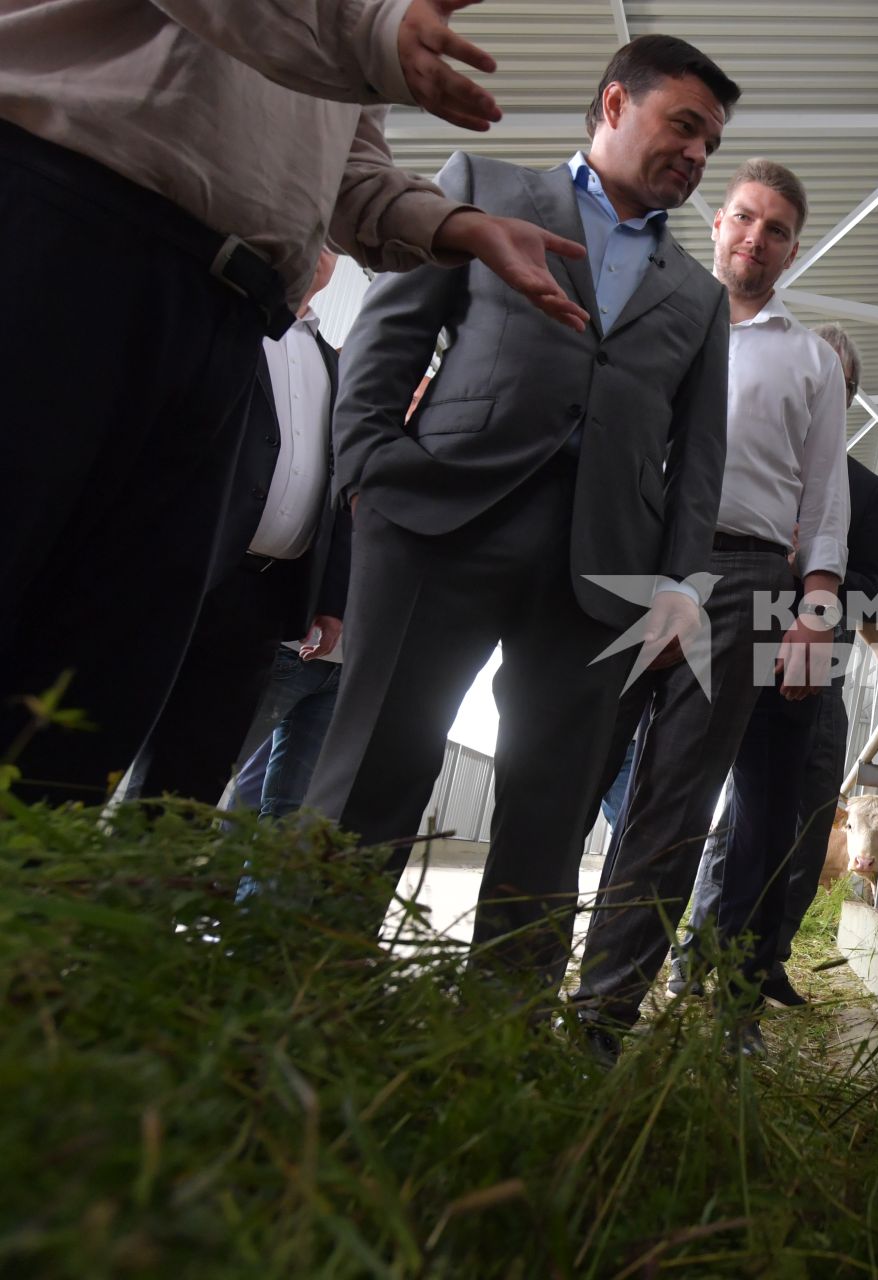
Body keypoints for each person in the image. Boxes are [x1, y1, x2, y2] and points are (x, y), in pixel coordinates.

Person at [0, 0, 594, 803]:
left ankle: (36, 914)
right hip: (64, 222)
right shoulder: (351, 19)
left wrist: (457, 226)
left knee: (92, 690)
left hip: (226, 317)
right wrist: (374, 35)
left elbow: (347, 173)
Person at [307, 35, 741, 986]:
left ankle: (496, 1050)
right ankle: (305, 1005)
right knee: (374, 766)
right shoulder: (485, 190)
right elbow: (390, 332)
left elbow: (696, 455)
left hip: (601, 574)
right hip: (439, 525)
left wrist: (680, 587)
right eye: (685, 125)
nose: (698, 154)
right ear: (616, 105)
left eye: (711, 141)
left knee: (551, 814)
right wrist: (371, 471)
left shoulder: (699, 298)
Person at [572, 159, 851, 1061]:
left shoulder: (810, 359)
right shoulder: (664, 316)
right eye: (742, 218)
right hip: (636, 559)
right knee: (571, 769)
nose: (754, 238)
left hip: (745, 578)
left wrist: (816, 608)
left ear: (791, 249)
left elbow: (826, 497)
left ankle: (602, 1018)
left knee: (680, 799)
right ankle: (510, 976)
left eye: (774, 228)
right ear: (717, 223)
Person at [666, 324, 878, 1007]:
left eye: (834, 386)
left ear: (847, 399)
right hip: (737, 651)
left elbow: (873, 591)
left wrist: (819, 571)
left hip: (816, 675)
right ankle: (698, 952)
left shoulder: (863, 490)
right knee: (730, 822)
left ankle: (767, 957)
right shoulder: (746, 474)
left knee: (806, 828)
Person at [130, 252, 351, 806]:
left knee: (197, 775)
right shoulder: (226, 318)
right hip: (181, 570)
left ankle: (156, 889)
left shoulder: (333, 362)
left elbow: (339, 487)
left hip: (265, 597)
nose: (322, 246)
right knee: (113, 744)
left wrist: (330, 596)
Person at [229, 371, 438, 820]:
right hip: (297, 644)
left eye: (424, 396)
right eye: (411, 391)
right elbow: (326, 528)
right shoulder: (349, 447)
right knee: (225, 777)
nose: (416, 403)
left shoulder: (421, 472)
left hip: (351, 666)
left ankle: (256, 891)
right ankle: (207, 881)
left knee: (290, 805)